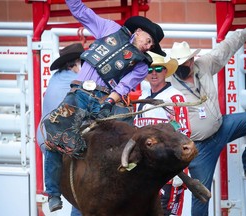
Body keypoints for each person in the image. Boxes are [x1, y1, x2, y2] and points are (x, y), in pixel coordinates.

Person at [42, 0, 166, 212]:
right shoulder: (109, 29)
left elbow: (123, 87)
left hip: (103, 99)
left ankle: (128, 182)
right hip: (78, 93)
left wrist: (109, 102)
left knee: (126, 133)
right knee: (54, 133)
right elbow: (81, 12)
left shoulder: (141, 65)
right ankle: (53, 192)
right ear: (138, 32)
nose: (148, 46)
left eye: (151, 46)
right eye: (148, 41)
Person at [167, 23, 246, 216]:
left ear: (191, 59)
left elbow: (226, 48)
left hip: (221, 128)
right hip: (198, 146)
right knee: (201, 195)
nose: (182, 67)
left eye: (184, 62)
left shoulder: (203, 65)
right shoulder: (170, 84)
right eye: (178, 64)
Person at [134, 51, 191, 216]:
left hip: (169, 169)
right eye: (150, 69)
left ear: (165, 71)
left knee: (167, 212)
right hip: (147, 170)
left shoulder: (175, 97)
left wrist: (179, 168)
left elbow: (184, 132)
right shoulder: (143, 97)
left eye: (158, 69)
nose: (153, 73)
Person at [36, 43, 84, 215]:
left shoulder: (57, 77)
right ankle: (53, 194)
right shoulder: (76, 81)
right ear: (74, 64)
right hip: (57, 136)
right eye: (84, 63)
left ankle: (53, 195)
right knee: (83, 184)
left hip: (47, 134)